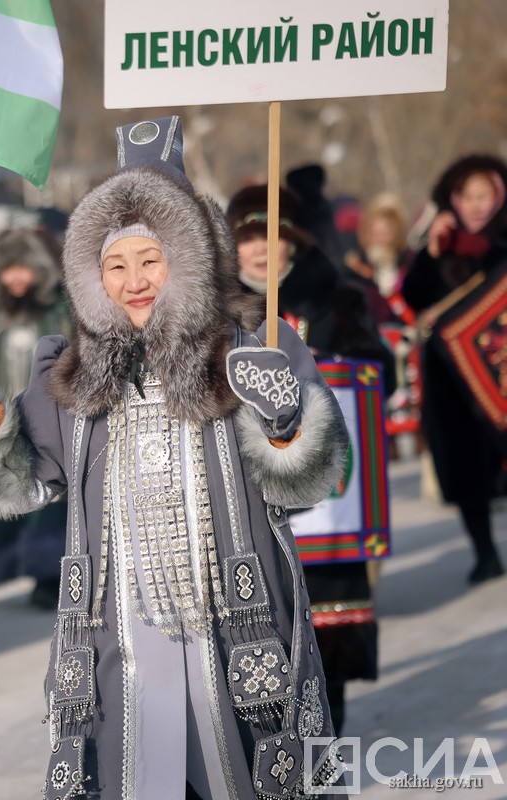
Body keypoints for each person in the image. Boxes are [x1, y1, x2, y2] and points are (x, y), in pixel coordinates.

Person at [0, 117, 347, 798]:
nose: (134, 281)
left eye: (150, 260)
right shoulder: (70, 374)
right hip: (117, 632)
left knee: (247, 773)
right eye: (116, 265)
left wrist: (283, 421)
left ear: (188, 258)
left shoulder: (253, 349)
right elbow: (25, 483)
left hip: (233, 624)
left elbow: (316, 480)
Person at [225, 182, 395, 735]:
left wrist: (330, 368)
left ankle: (329, 737)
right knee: (261, 629)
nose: (261, 250)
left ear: (293, 243)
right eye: (249, 238)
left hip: (330, 510)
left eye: (273, 236)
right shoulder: (213, 314)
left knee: (328, 631)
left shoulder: (335, 297)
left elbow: (377, 374)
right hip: (250, 501)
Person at [401, 154, 507, 585]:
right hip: (452, 376)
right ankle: (484, 552)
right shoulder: (439, 242)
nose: (477, 205)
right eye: (468, 197)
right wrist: (430, 251)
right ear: (453, 199)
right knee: (465, 465)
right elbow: (413, 295)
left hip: (499, 368)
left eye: (485, 195)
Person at [0, 227, 72, 608]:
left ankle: (49, 573)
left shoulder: (61, 310)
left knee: (51, 497)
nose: (15, 278)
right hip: (2, 419)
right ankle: (10, 560)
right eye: (8, 269)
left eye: (23, 268)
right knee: (6, 487)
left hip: (50, 416)